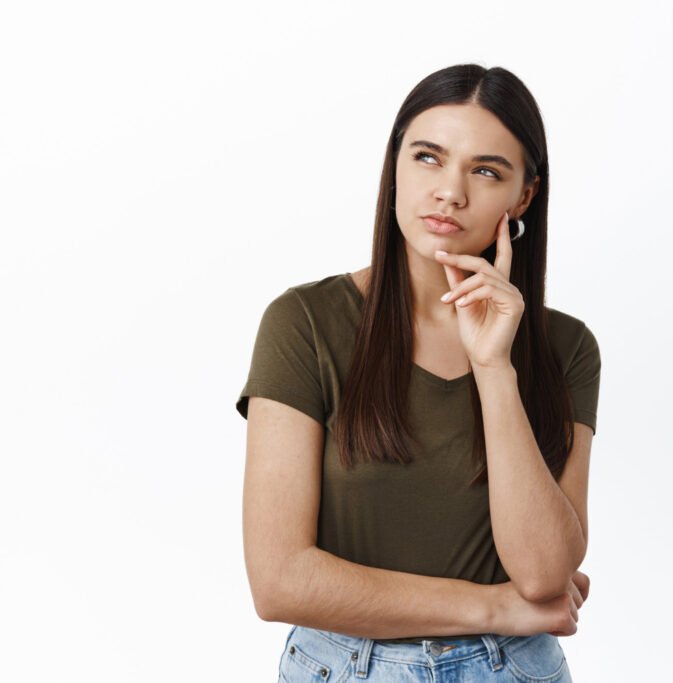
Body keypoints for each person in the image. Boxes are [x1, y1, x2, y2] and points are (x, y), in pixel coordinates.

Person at [235, 63, 600, 683]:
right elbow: (280, 581)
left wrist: (494, 367)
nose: (450, 191)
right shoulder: (305, 323)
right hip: (345, 666)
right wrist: (493, 606)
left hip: (513, 668)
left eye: (486, 171)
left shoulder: (565, 346)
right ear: (395, 165)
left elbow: (543, 574)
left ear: (523, 197)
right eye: (428, 157)